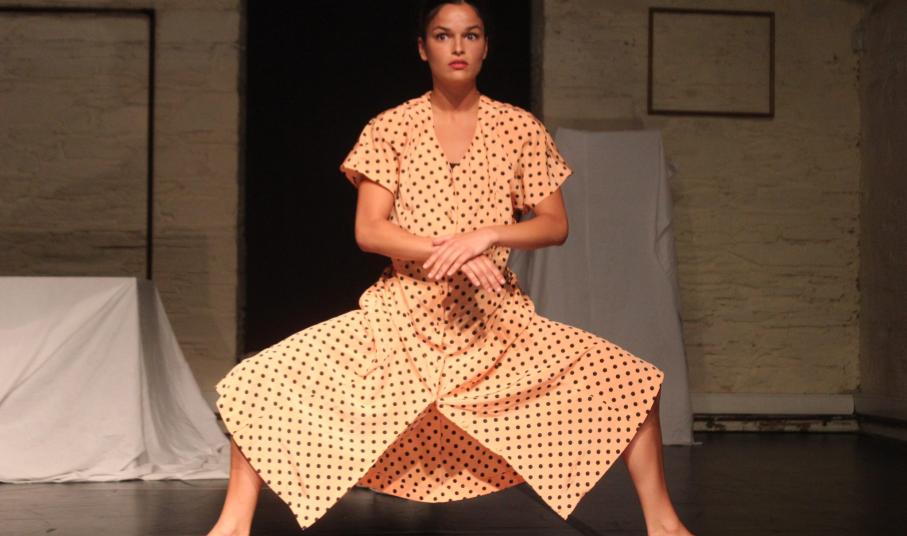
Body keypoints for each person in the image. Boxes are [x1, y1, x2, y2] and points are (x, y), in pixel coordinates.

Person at [208, 1, 694, 535]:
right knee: (255, 383)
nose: (458, 47)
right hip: (399, 320)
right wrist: (450, 249)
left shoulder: (519, 128)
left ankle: (665, 526)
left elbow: (554, 224)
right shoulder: (392, 126)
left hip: (496, 324)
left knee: (632, 384)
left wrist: (487, 235)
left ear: (486, 47)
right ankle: (231, 528)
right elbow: (370, 229)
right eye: (443, 36)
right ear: (424, 48)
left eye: (471, 35)